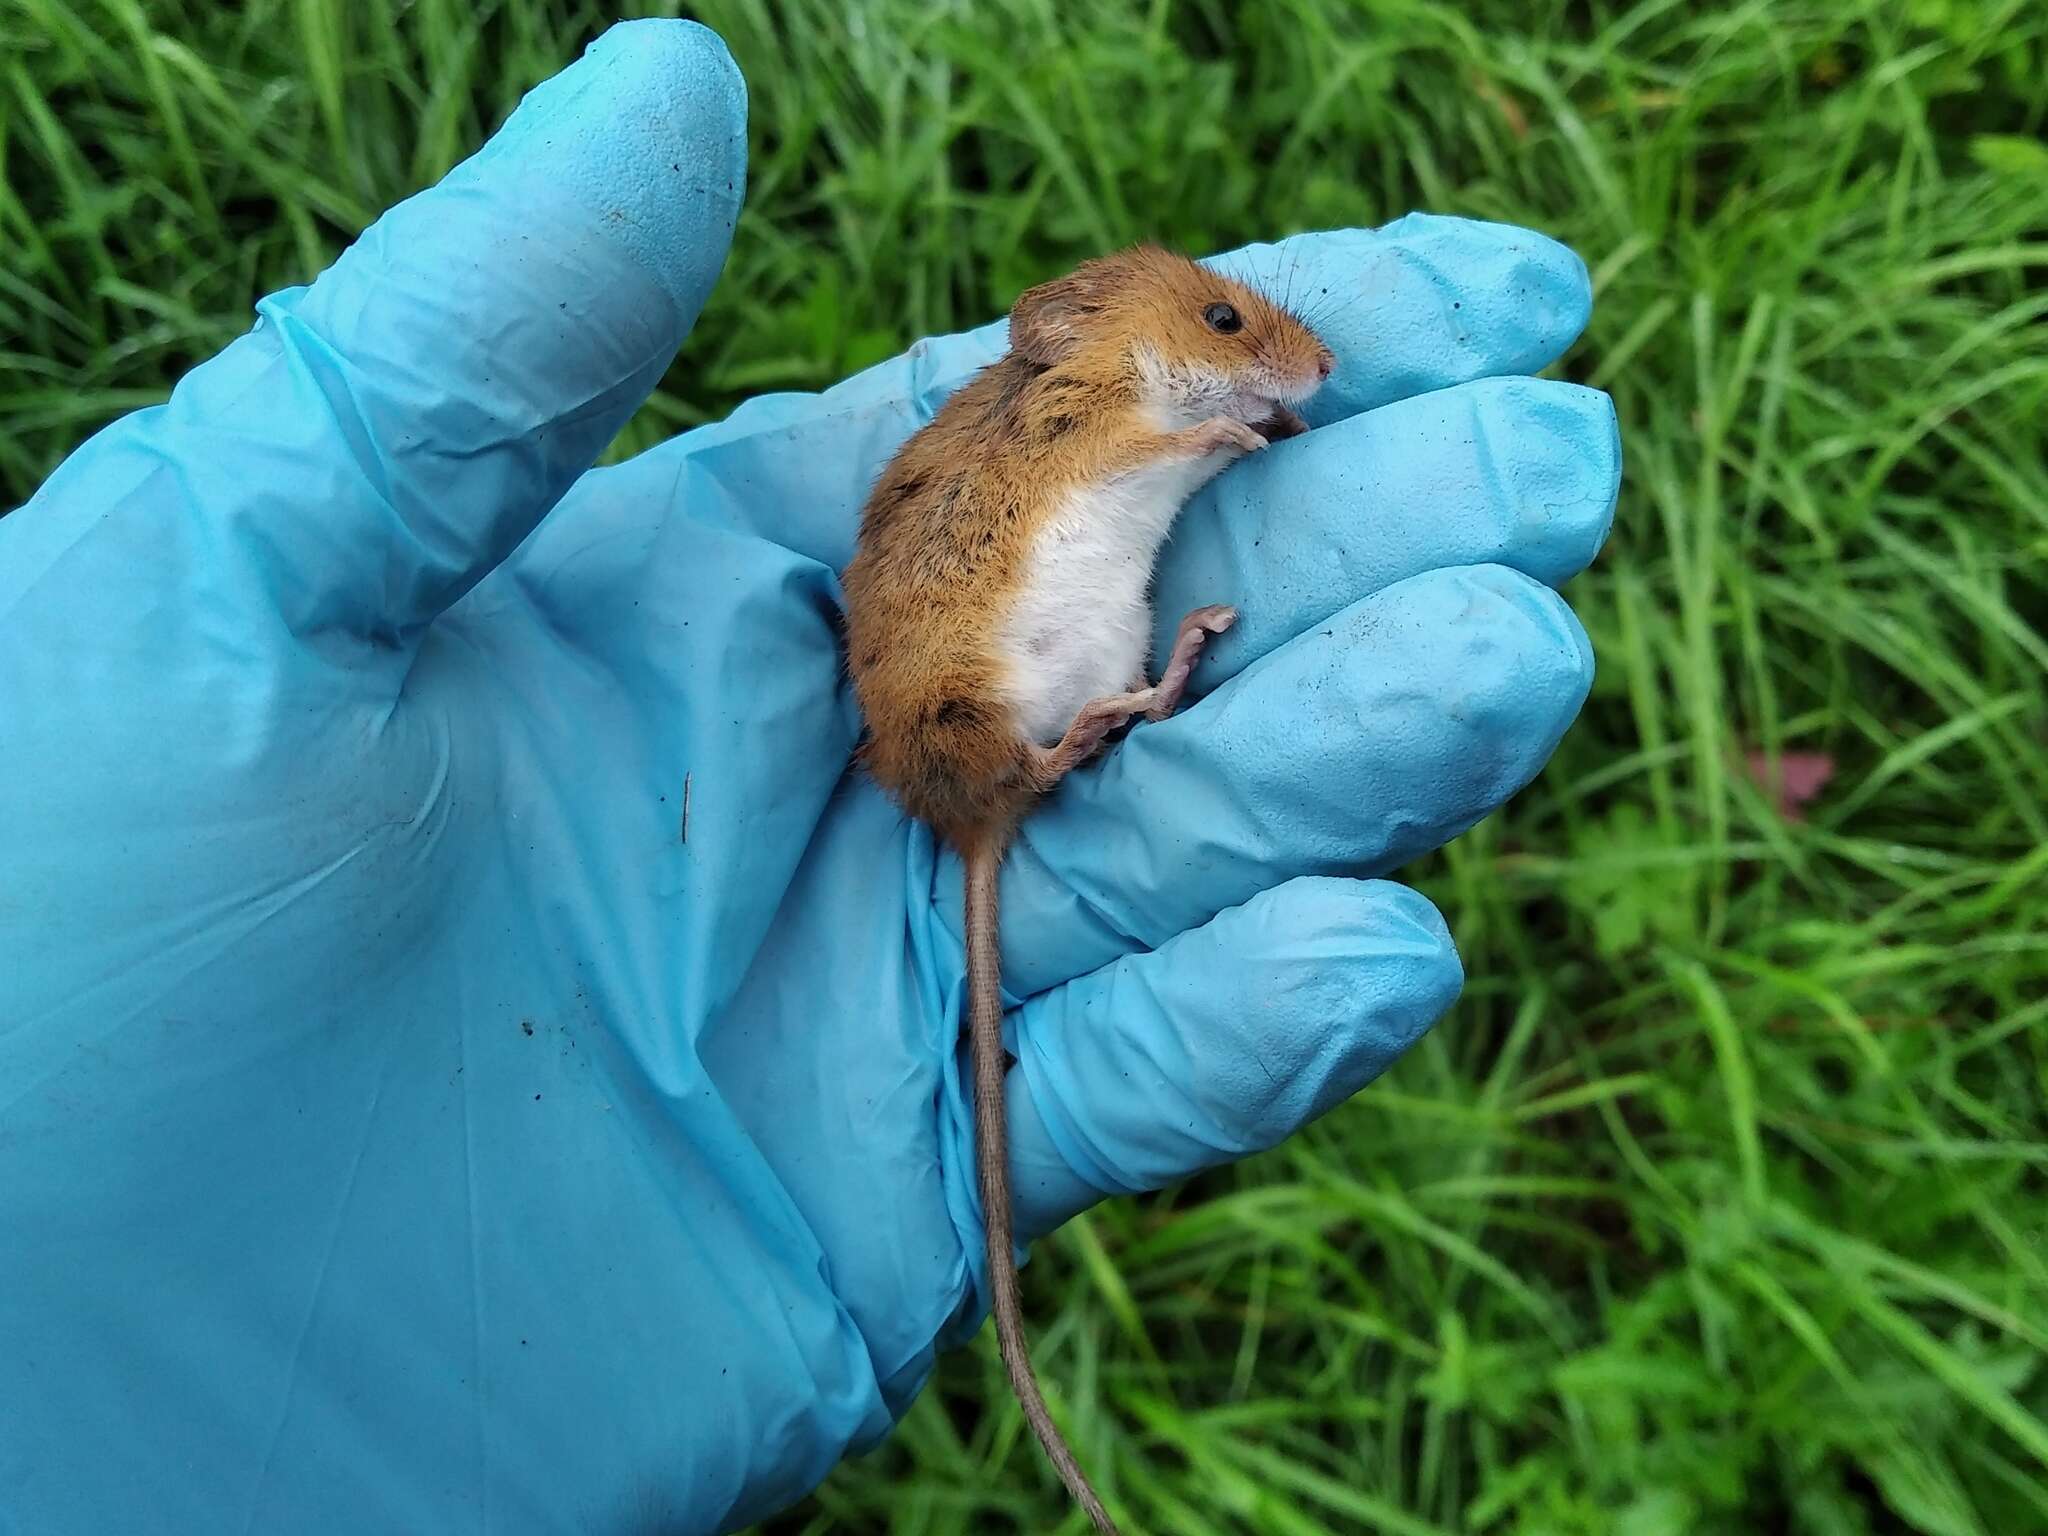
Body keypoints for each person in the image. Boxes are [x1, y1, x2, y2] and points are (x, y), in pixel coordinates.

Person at [0, 19, 1618, 1534]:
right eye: (1221, 320)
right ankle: (1077, 736)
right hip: (972, 707)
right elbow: (1089, 476)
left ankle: (1102, 722)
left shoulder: (1077, 400)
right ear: (1084, 330)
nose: (1257, 344)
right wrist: (1206, 433)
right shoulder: (1072, 402)